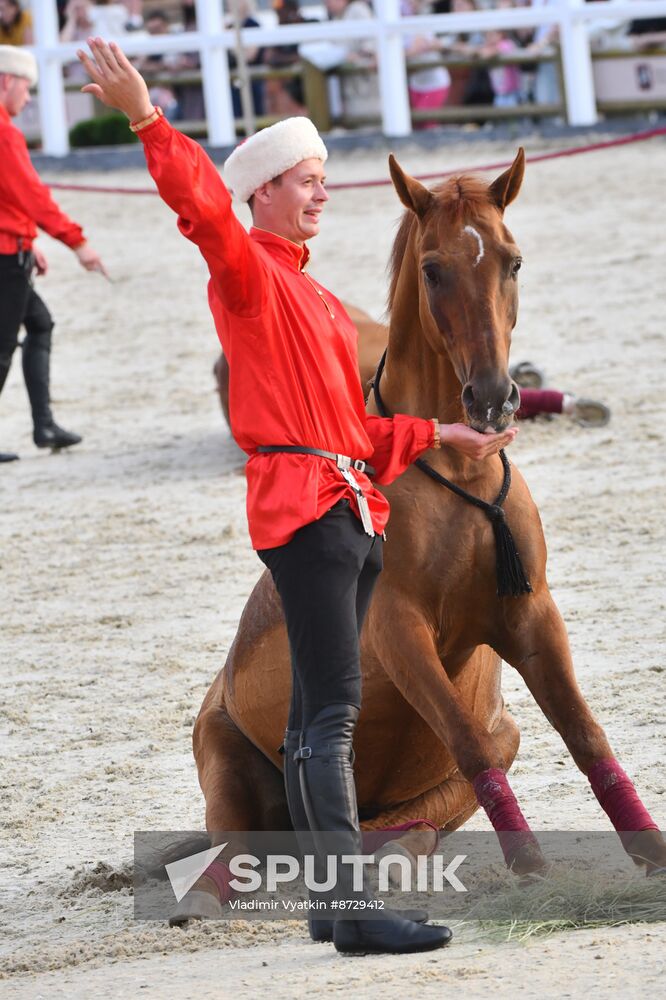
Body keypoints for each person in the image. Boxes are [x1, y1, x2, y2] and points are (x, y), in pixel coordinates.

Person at [77, 36, 517, 954]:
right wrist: (149, 119)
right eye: (307, 179)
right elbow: (200, 208)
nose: (322, 192)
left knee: (326, 711)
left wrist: (442, 432)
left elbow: (357, 434)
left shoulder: (318, 303)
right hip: (309, 508)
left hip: (349, 499)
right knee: (327, 717)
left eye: (321, 178)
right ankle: (351, 911)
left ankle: (330, 904)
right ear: (264, 192)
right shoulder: (250, 275)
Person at [0, 46, 106, 462]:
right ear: (7, 81)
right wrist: (76, 242)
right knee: (4, 345)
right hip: (6, 256)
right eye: (26, 88)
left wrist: (30, 239)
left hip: (13, 247)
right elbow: (31, 195)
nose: (28, 99)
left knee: (39, 323)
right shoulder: (5, 133)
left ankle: (44, 424)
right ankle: (43, 425)